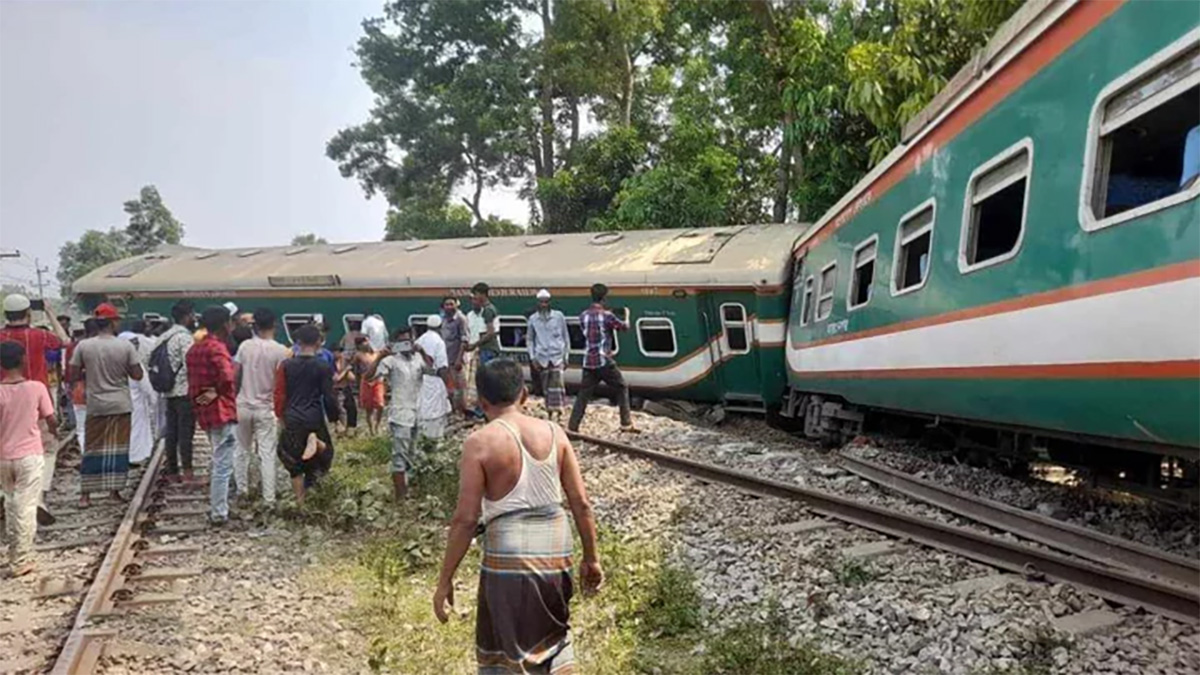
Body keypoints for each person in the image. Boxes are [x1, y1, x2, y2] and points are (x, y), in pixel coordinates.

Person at [433, 359, 602, 672]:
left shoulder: (479, 443)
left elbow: (466, 519)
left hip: (507, 554)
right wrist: (591, 558)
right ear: (524, 395)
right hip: (556, 548)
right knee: (555, 636)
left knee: (506, 653)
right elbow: (581, 504)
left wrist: (445, 579)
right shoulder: (555, 433)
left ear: (481, 401)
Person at [68, 303, 143, 507]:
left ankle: (86, 496)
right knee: (118, 449)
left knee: (93, 449)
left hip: (96, 404)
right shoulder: (125, 346)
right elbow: (137, 374)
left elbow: (72, 374)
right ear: (112, 322)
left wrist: (89, 374)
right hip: (120, 403)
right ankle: (114, 493)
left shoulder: (84, 346)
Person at [2, 294, 69, 520]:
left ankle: (7, 495)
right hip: (36, 401)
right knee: (46, 449)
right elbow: (65, 340)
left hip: (3, 400)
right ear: (29, 314)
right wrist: (49, 312)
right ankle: (38, 495)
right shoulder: (40, 335)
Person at [0, 341, 58, 577]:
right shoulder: (36, 387)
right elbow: (51, 419)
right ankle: (21, 559)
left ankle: (13, 552)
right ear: (24, 359)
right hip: (29, 455)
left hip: (3, 457)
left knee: (11, 503)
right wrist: (55, 431)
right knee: (25, 506)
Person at [273, 324, 338, 506]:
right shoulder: (323, 366)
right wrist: (335, 418)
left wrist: (280, 416)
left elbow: (279, 393)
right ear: (319, 342)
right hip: (314, 417)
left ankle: (300, 503)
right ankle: (318, 443)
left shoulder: (285, 366)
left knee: (293, 461)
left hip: (292, 416)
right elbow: (329, 396)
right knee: (326, 456)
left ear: (297, 342)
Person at [233, 308, 291, 508]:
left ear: (254, 325)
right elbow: (282, 383)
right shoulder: (282, 350)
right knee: (267, 453)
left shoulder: (244, 347)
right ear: (274, 325)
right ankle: (269, 499)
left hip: (242, 405)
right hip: (267, 407)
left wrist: (234, 397)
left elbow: (235, 375)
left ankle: (242, 491)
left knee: (241, 450)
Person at [186, 305, 238, 525]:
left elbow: (193, 387)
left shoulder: (194, 349)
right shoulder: (217, 348)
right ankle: (219, 512)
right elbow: (227, 377)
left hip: (205, 412)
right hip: (222, 411)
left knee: (219, 457)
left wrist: (202, 399)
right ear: (225, 324)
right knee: (222, 465)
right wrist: (216, 392)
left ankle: (225, 503)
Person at [367, 327, 429, 500]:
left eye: (408, 341)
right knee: (399, 455)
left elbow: (434, 371)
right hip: (400, 414)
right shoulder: (391, 361)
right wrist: (380, 357)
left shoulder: (418, 359)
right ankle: (400, 497)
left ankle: (408, 491)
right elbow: (368, 377)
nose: (406, 345)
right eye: (402, 342)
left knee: (413, 453)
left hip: (417, 413)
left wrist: (423, 352)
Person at [567, 283, 636, 433]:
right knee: (621, 387)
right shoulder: (607, 316)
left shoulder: (583, 315)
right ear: (604, 298)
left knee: (583, 395)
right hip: (603, 361)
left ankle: (573, 427)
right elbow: (624, 327)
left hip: (588, 362)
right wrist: (627, 315)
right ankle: (626, 423)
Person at [158, 301, 197, 483]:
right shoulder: (184, 337)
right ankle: (188, 472)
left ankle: (172, 471)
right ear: (187, 316)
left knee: (171, 433)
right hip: (184, 391)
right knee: (185, 433)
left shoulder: (163, 336)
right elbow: (191, 364)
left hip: (167, 391)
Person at [526, 289, 570, 421]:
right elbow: (530, 339)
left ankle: (560, 411)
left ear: (549, 302)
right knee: (546, 386)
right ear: (538, 303)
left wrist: (566, 356)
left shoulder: (558, 316)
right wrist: (532, 357)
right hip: (542, 357)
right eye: (541, 302)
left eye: (546, 302)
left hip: (557, 355)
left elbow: (565, 336)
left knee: (558, 385)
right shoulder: (533, 319)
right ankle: (550, 412)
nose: (544, 305)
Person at [119, 320, 158, 466]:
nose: (136, 345)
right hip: (135, 403)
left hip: (120, 402)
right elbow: (145, 385)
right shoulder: (135, 363)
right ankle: (134, 458)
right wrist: (153, 400)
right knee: (136, 430)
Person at [416, 314, 452, 440]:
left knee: (422, 408)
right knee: (436, 412)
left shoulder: (419, 340)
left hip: (421, 380)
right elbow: (443, 367)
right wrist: (448, 386)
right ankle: (434, 440)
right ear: (440, 327)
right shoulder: (439, 342)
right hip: (435, 379)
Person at [438, 297, 469, 416]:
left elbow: (464, 340)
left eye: (452, 304)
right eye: (447, 304)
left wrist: (459, 359)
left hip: (456, 359)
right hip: (446, 359)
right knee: (449, 388)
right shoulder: (444, 319)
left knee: (460, 387)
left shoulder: (461, 319)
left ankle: (461, 412)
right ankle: (452, 410)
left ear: (457, 305)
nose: (449, 307)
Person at [356, 339, 385, 436]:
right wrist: (357, 382)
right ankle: (372, 429)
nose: (366, 344)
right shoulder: (358, 355)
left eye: (367, 341)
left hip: (378, 380)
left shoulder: (377, 354)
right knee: (369, 408)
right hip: (365, 381)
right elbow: (356, 370)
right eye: (363, 342)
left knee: (380, 404)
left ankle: (378, 424)